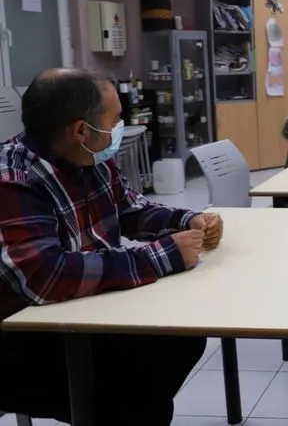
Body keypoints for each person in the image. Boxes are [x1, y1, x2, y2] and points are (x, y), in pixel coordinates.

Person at [0, 68, 223, 425]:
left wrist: (188, 221)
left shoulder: (91, 157)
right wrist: (165, 255)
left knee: (182, 338)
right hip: (27, 338)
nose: (120, 127)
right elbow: (47, 276)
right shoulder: (14, 179)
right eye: (115, 119)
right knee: (137, 396)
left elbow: (132, 210)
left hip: (90, 310)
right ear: (81, 130)